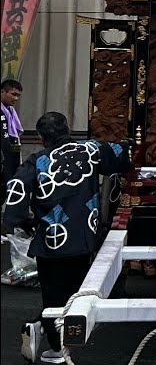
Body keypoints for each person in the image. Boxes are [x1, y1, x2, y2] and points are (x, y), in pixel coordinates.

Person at [5, 112, 133, 365]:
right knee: (75, 295)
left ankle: (46, 335)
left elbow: (16, 189)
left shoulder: (37, 160)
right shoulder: (90, 150)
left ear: (41, 137)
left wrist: (23, 222)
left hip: (51, 239)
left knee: (53, 295)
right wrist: (129, 143)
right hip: (83, 237)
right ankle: (50, 340)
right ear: (68, 129)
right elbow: (120, 154)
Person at [1, 79, 23, 202]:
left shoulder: (10, 111)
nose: (16, 99)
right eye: (13, 94)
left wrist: (16, 156)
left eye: (18, 96)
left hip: (10, 156)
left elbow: (14, 138)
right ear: (3, 92)